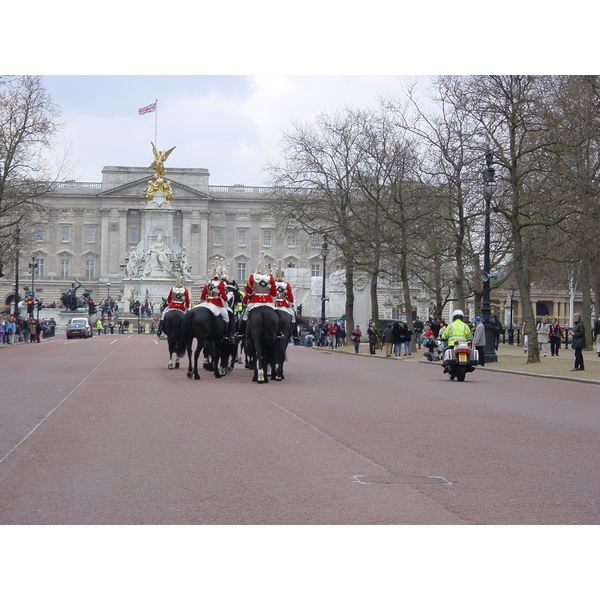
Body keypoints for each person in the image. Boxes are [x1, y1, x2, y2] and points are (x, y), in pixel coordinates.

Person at [240, 253, 277, 337]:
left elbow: (249, 292)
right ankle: (278, 333)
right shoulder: (270, 277)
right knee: (276, 315)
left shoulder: (252, 277)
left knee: (245, 316)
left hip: (255, 301)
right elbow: (274, 293)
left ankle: (241, 333)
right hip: (268, 301)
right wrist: (273, 303)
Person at [201, 265, 234, 339]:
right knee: (226, 318)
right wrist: (228, 296)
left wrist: (204, 299)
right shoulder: (220, 283)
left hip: (207, 302)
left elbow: (203, 295)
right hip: (217, 303)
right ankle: (226, 335)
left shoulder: (208, 283)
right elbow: (224, 297)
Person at [274, 262, 299, 342]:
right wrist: (289, 304)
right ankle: (295, 335)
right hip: (283, 305)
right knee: (293, 316)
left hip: (273, 305)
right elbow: (290, 298)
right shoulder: (286, 284)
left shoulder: (272, 283)